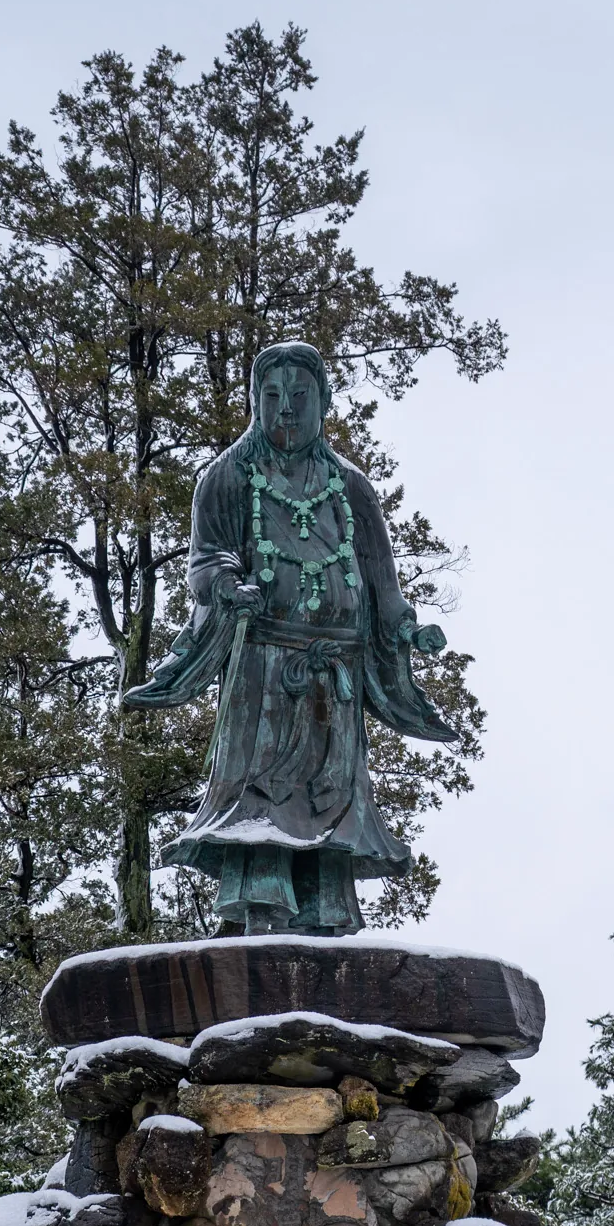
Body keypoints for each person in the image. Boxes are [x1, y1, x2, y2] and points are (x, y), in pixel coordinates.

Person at [124, 341, 456, 935]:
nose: (285, 410)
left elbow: (383, 582)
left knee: (332, 796)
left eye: (299, 397)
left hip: (338, 671)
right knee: (260, 796)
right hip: (263, 663)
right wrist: (226, 583)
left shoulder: (349, 486)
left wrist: (408, 628)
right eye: (271, 396)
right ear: (254, 401)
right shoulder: (228, 477)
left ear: (323, 402)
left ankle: (324, 914)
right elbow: (203, 562)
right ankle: (258, 910)